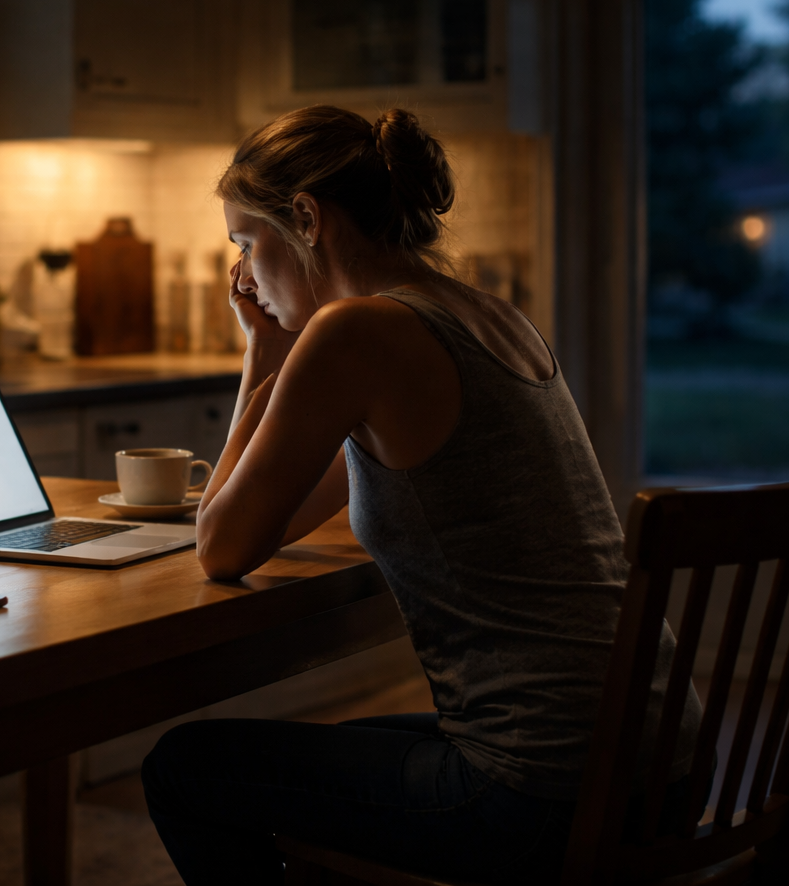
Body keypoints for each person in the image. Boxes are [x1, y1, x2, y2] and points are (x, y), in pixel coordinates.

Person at [141, 105, 702, 885]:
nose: (242, 273)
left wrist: (263, 350)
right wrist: (277, 349)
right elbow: (275, 515)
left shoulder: (354, 334)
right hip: (657, 767)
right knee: (325, 759)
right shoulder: (489, 316)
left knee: (187, 768)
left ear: (305, 219)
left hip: (538, 794)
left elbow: (222, 543)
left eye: (244, 241)